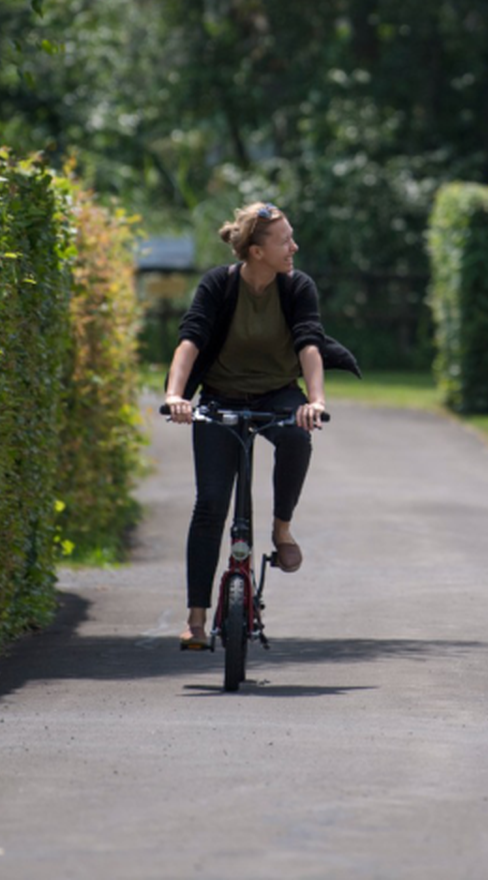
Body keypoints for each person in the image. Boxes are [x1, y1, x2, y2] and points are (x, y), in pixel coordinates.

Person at [161, 202, 357, 651]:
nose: (294, 246)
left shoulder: (296, 286)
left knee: (295, 436)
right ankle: (195, 620)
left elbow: (310, 342)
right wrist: (176, 396)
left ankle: (282, 528)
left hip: (277, 392)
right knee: (210, 504)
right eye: (284, 240)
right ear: (254, 251)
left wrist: (315, 401)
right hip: (220, 395)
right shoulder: (218, 284)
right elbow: (190, 339)